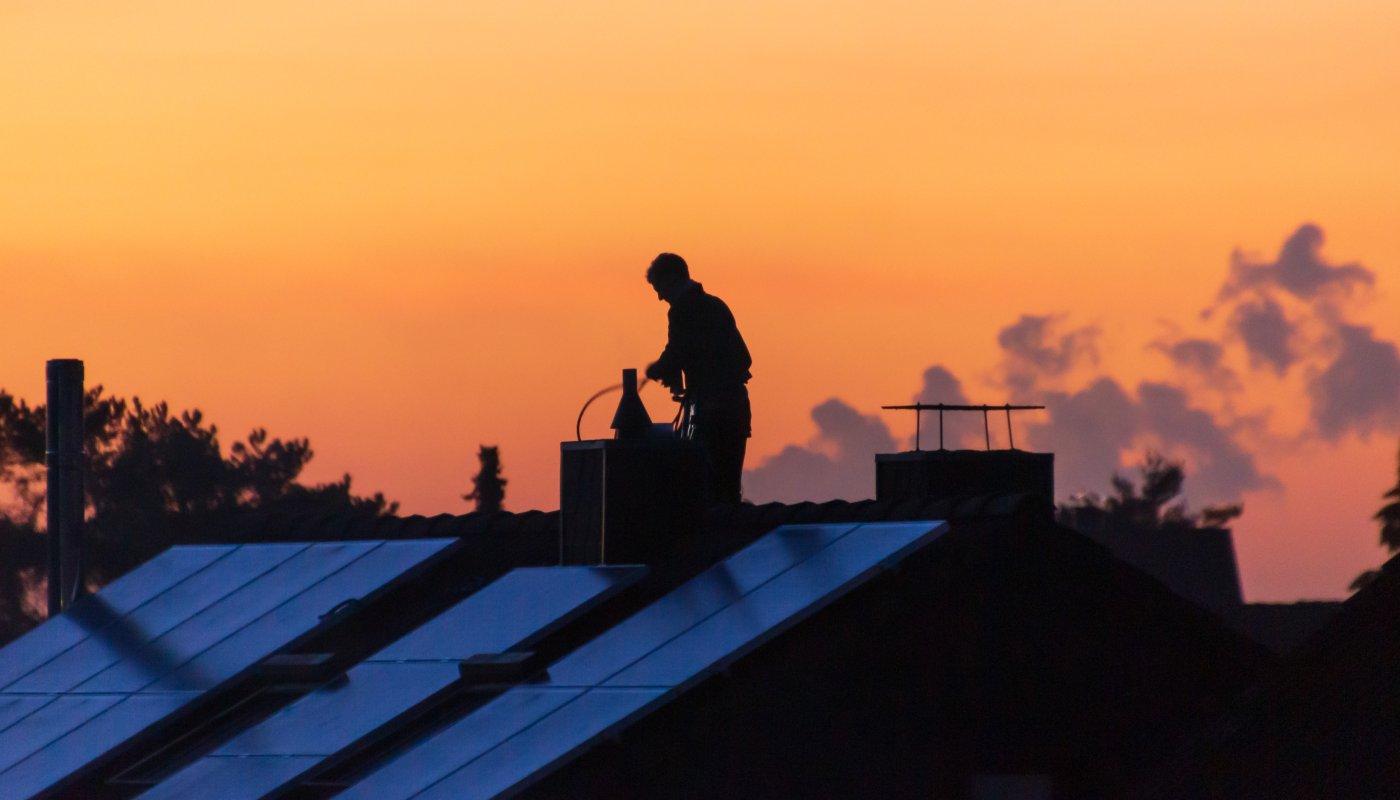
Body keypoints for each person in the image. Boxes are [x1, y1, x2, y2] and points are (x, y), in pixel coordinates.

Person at [644, 253, 752, 504]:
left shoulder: (682, 310)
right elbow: (743, 358)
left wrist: (657, 369)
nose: (660, 297)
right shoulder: (716, 305)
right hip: (737, 406)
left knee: (706, 487)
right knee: (729, 487)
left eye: (659, 289)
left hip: (710, 412)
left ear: (672, 279)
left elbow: (676, 351)